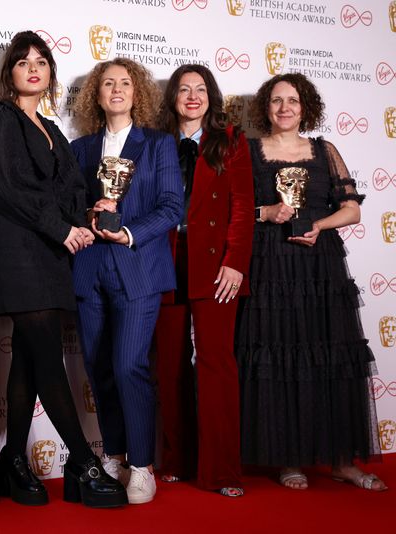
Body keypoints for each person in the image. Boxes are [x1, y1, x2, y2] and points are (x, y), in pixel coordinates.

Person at [0, 31, 126, 509]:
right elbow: (5, 187)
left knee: (26, 356)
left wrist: (87, 213)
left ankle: (11, 463)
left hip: (49, 252)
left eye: (41, 61)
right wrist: (61, 230)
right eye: (23, 62)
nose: (33, 68)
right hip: (17, 250)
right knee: (46, 357)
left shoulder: (50, 127)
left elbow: (68, 193)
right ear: (11, 73)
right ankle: (82, 461)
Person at [236, 72, 387, 491]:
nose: (285, 108)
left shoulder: (325, 150)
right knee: (280, 358)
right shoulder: (248, 152)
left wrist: (318, 225)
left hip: (319, 270)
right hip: (269, 268)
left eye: (294, 101)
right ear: (266, 107)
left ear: (306, 108)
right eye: (277, 101)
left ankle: (341, 460)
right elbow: (235, 210)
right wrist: (267, 211)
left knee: (331, 359)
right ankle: (288, 458)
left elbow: (352, 210)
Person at [70, 58, 182, 505]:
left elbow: (173, 206)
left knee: (128, 365)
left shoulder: (158, 145)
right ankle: (114, 454)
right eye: (108, 83)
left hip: (138, 269)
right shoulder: (79, 150)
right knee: (98, 368)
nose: (116, 89)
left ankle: (141, 465)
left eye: (125, 83)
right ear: (96, 94)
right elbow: (69, 208)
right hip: (90, 269)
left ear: (138, 93)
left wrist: (129, 232)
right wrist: (88, 216)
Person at [154, 64, 254, 497]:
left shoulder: (230, 140)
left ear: (211, 97)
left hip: (215, 267)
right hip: (164, 261)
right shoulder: (155, 143)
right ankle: (177, 458)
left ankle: (222, 472)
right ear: (172, 98)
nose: (192, 96)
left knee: (216, 365)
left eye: (200, 89)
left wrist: (235, 262)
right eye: (183, 90)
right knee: (170, 365)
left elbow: (241, 205)